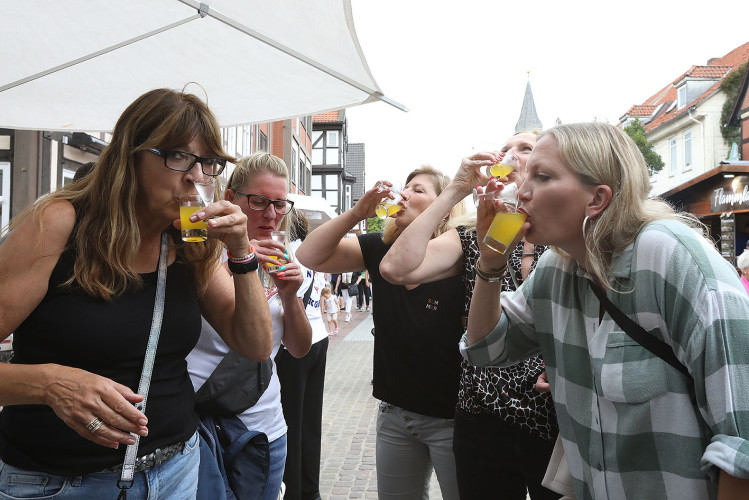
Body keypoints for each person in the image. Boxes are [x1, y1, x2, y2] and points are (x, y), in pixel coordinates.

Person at [0, 88, 272, 499]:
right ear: (130, 155)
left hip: (177, 470)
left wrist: (240, 252)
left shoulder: (188, 243)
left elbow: (255, 344)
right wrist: (48, 383)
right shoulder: (59, 224)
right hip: (60, 483)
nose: (196, 177)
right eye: (178, 155)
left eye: (207, 163)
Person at [462, 122, 749, 500]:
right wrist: (492, 260)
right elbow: (485, 347)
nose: (521, 192)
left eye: (541, 176)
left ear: (597, 199)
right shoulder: (557, 269)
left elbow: (740, 446)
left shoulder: (672, 258)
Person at [380, 132, 560, 500]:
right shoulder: (470, 235)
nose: (510, 155)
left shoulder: (563, 234)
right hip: (482, 411)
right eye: (506, 148)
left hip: (553, 414)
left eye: (526, 149)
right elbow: (396, 269)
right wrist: (455, 190)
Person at [297, 166, 465, 500]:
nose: (404, 193)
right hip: (395, 414)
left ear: (443, 208)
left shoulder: (459, 253)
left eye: (417, 190)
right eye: (405, 187)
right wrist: (358, 212)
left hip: (453, 418)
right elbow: (308, 255)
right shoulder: (378, 247)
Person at [187, 151, 311, 500]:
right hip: (196, 421)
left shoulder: (287, 259)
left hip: (262, 426)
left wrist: (291, 295)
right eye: (259, 202)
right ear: (230, 198)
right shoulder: (200, 252)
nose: (271, 215)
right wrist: (240, 258)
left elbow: (299, 348)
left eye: (279, 204)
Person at [275, 209, 329, 500]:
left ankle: (293, 490)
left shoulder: (286, 253)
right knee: (310, 422)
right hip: (319, 336)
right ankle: (311, 489)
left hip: (295, 344)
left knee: (290, 422)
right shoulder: (313, 256)